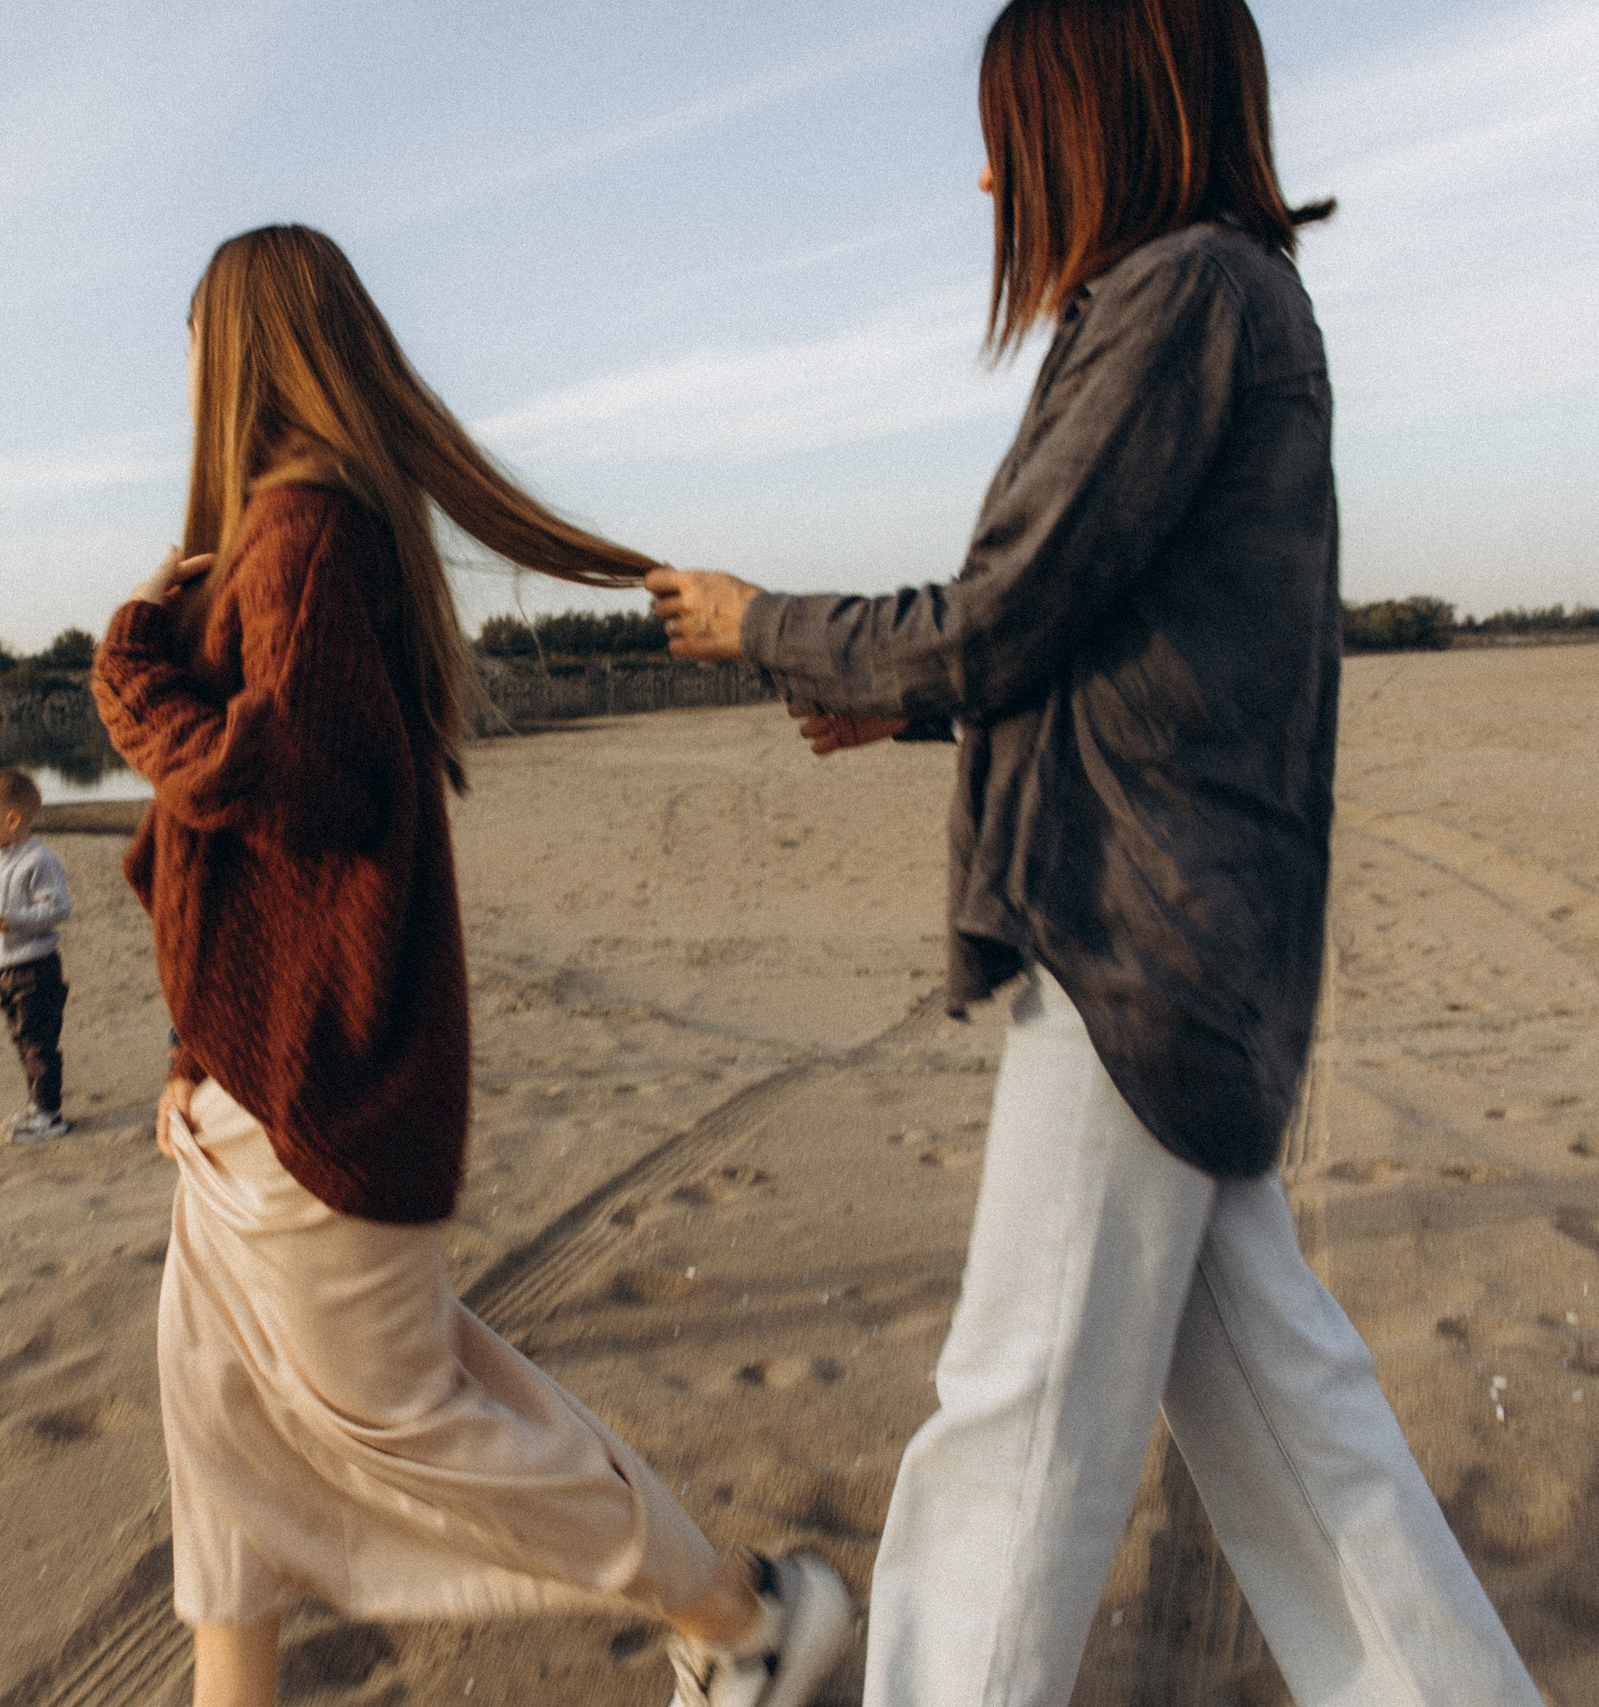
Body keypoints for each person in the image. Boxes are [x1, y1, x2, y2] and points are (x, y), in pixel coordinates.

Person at [645, 2, 1547, 1704]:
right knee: (1296, 1427)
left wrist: (767, 623)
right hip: (1195, 931)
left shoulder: (1188, 296)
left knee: (1017, 1429)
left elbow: (1007, 611)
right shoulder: (1218, 299)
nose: (989, 170)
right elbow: (1114, 640)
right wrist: (901, 712)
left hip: (1139, 937)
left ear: (1101, 114)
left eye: (1012, 126)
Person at [89, 224, 852, 1707]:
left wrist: (129, 671)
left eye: (192, 338)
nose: (182, 368)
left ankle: (748, 1614)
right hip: (251, 1085)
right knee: (227, 1457)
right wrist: (197, 1049)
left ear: (238, 346)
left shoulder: (306, 525)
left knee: (416, 1419)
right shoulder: (296, 525)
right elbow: (255, 857)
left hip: (312, 1095)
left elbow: (279, 779)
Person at [0, 766, 73, 1143]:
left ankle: (50, 1115)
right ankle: (36, 1104)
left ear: (11, 820)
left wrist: (16, 921)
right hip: (6, 967)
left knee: (39, 1039)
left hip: (35, 967)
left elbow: (58, 908)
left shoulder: (38, 861)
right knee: (22, 1040)